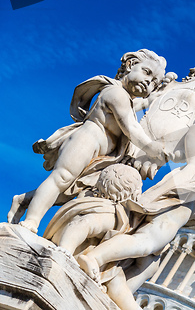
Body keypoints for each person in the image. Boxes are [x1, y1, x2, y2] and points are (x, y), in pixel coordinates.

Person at [76, 112, 195, 309]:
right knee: (142, 244)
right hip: (163, 223)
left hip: (168, 233)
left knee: (149, 267)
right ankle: (94, 258)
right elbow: (192, 139)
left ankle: (114, 294)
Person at [11, 49, 167, 233]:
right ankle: (32, 221)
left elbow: (140, 108)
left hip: (102, 155)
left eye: (153, 83)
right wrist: (151, 148)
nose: (148, 82)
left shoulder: (130, 103)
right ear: (131, 65)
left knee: (65, 194)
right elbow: (131, 128)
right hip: (87, 140)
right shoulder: (115, 92)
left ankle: (23, 199)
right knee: (61, 178)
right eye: (147, 73)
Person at [43, 164, 143, 257]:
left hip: (56, 239)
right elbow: (84, 223)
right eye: (139, 189)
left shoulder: (87, 199)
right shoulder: (109, 212)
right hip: (64, 249)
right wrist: (65, 248)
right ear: (131, 192)